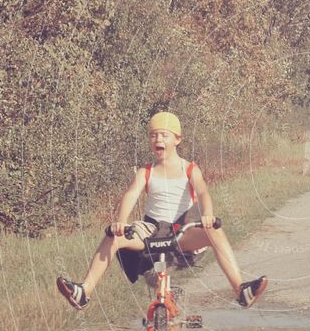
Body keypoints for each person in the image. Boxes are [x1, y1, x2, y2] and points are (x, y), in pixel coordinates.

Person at [56, 111, 268, 311]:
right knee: (115, 237)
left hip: (182, 231)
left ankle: (241, 289)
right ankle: (83, 292)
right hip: (152, 230)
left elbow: (203, 192)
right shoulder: (145, 172)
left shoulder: (190, 169)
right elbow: (131, 195)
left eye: (164, 135)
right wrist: (120, 221)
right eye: (153, 135)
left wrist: (207, 216)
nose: (158, 139)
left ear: (177, 139)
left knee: (216, 232)